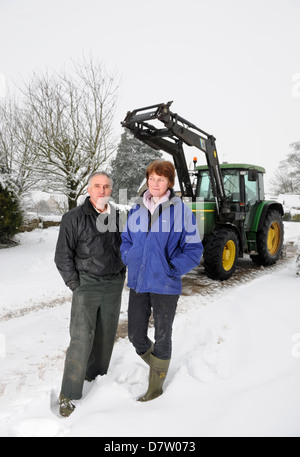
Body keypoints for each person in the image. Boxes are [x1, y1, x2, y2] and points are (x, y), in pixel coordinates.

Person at [121, 160, 203, 402]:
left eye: (160, 179)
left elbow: (193, 250)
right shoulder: (137, 209)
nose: (154, 183)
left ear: (169, 183)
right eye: (151, 178)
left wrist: (171, 268)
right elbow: (126, 239)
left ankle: (155, 387)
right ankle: (157, 364)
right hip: (138, 280)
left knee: (163, 335)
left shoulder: (182, 211)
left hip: (165, 283)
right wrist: (128, 256)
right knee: (135, 334)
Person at [54, 171, 125, 417]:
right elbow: (62, 256)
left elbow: (124, 247)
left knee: (106, 336)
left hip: (113, 285)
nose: (102, 191)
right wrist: (77, 285)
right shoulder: (73, 218)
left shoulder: (117, 216)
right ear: (88, 189)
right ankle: (68, 393)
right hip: (87, 284)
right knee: (81, 338)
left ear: (111, 190)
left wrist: (121, 274)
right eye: (97, 186)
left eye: (106, 186)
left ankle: (95, 378)